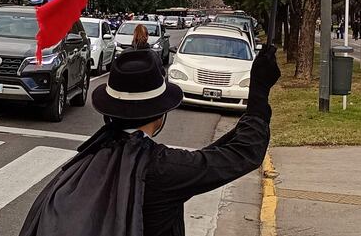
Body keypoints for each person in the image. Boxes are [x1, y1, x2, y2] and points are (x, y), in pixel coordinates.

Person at [19, 46, 280, 236]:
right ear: (160, 114)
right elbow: (242, 155)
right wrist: (258, 93)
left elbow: (210, 159)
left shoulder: (91, 155)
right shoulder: (162, 168)